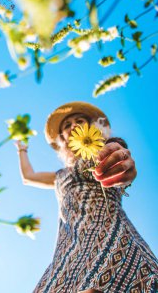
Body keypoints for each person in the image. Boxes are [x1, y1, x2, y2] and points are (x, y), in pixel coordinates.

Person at [15, 101, 158, 293]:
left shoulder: (99, 151)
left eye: (79, 121)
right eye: (67, 125)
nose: (73, 125)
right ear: (62, 138)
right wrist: (21, 149)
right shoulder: (60, 175)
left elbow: (115, 154)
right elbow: (28, 177)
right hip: (67, 247)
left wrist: (121, 163)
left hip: (106, 233)